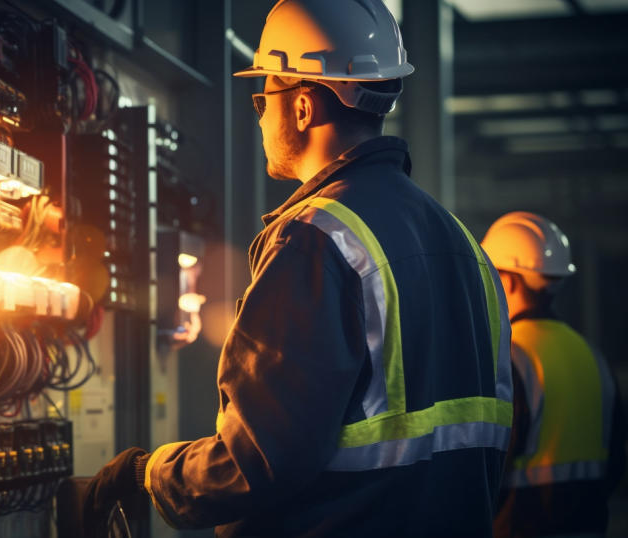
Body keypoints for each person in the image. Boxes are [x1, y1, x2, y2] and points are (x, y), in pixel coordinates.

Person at [84, 1, 513, 535]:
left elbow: (257, 460)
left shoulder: (315, 239)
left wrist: (149, 472)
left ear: (304, 107)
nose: (260, 114)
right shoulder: (465, 244)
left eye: (264, 98)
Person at [481, 212, 626, 537]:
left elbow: (491, 467)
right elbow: (616, 462)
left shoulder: (509, 356)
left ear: (508, 281)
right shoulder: (592, 356)